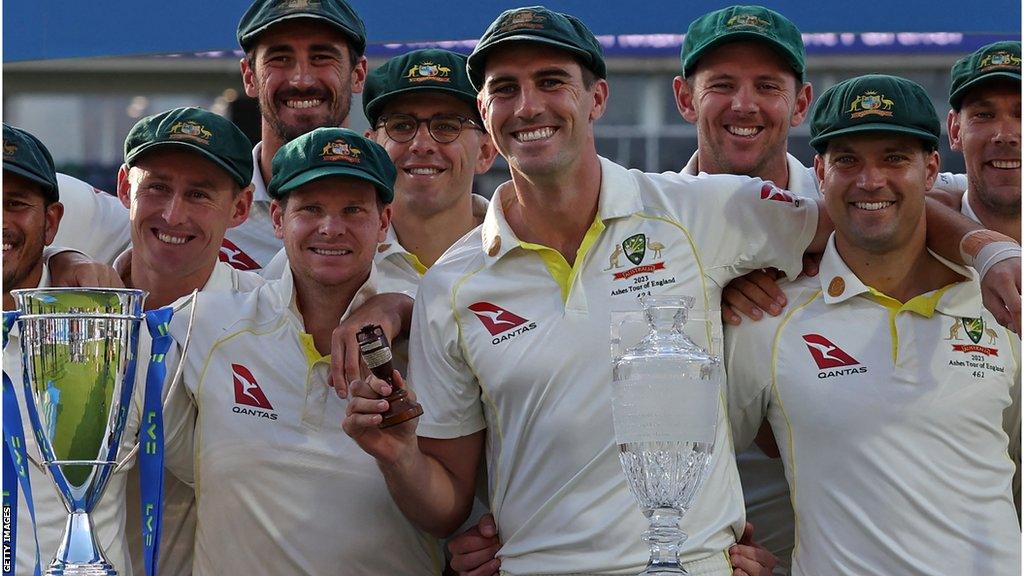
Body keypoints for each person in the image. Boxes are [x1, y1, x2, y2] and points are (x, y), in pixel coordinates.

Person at [725, 73, 1020, 575]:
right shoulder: (765, 318)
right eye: (847, 160)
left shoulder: (1000, 304)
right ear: (818, 172)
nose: (870, 180)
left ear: (930, 171)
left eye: (894, 158)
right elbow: (696, 462)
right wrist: (720, 552)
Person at [162, 127, 442, 574]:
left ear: (383, 222)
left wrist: (403, 310)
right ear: (276, 218)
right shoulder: (203, 323)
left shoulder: (434, 335)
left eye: (353, 209)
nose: (331, 228)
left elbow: (464, 499)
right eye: (311, 208)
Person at [112, 106, 263, 576]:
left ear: (240, 207)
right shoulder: (77, 316)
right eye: (157, 187)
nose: (173, 214)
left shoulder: (274, 313)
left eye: (199, 194)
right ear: (125, 189)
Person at [230, 0, 368, 270]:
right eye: (280, 59)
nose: (301, 80)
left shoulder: (395, 208)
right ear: (249, 77)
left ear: (358, 75)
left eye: (321, 58)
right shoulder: (209, 213)